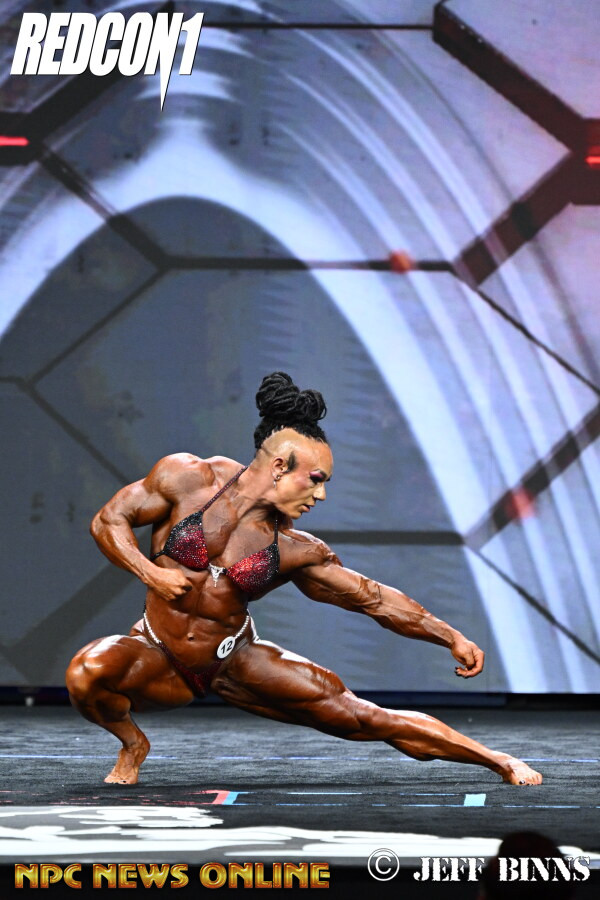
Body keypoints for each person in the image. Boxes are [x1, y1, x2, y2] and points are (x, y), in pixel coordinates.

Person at [66, 372, 542, 787]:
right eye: (316, 479)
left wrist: (449, 636)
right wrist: (150, 572)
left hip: (234, 659)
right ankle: (132, 743)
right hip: (156, 652)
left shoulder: (294, 548)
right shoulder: (189, 479)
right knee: (88, 672)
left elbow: (373, 599)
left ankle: (496, 760)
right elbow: (109, 521)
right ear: (279, 466)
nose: (322, 494)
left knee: (361, 717)